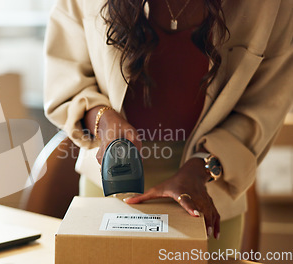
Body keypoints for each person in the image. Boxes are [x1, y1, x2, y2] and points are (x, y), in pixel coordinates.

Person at [44, 0, 293, 252]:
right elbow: (64, 79)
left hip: (205, 194)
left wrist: (200, 169)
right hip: (108, 185)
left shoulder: (272, 7)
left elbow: (263, 106)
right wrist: (102, 119)